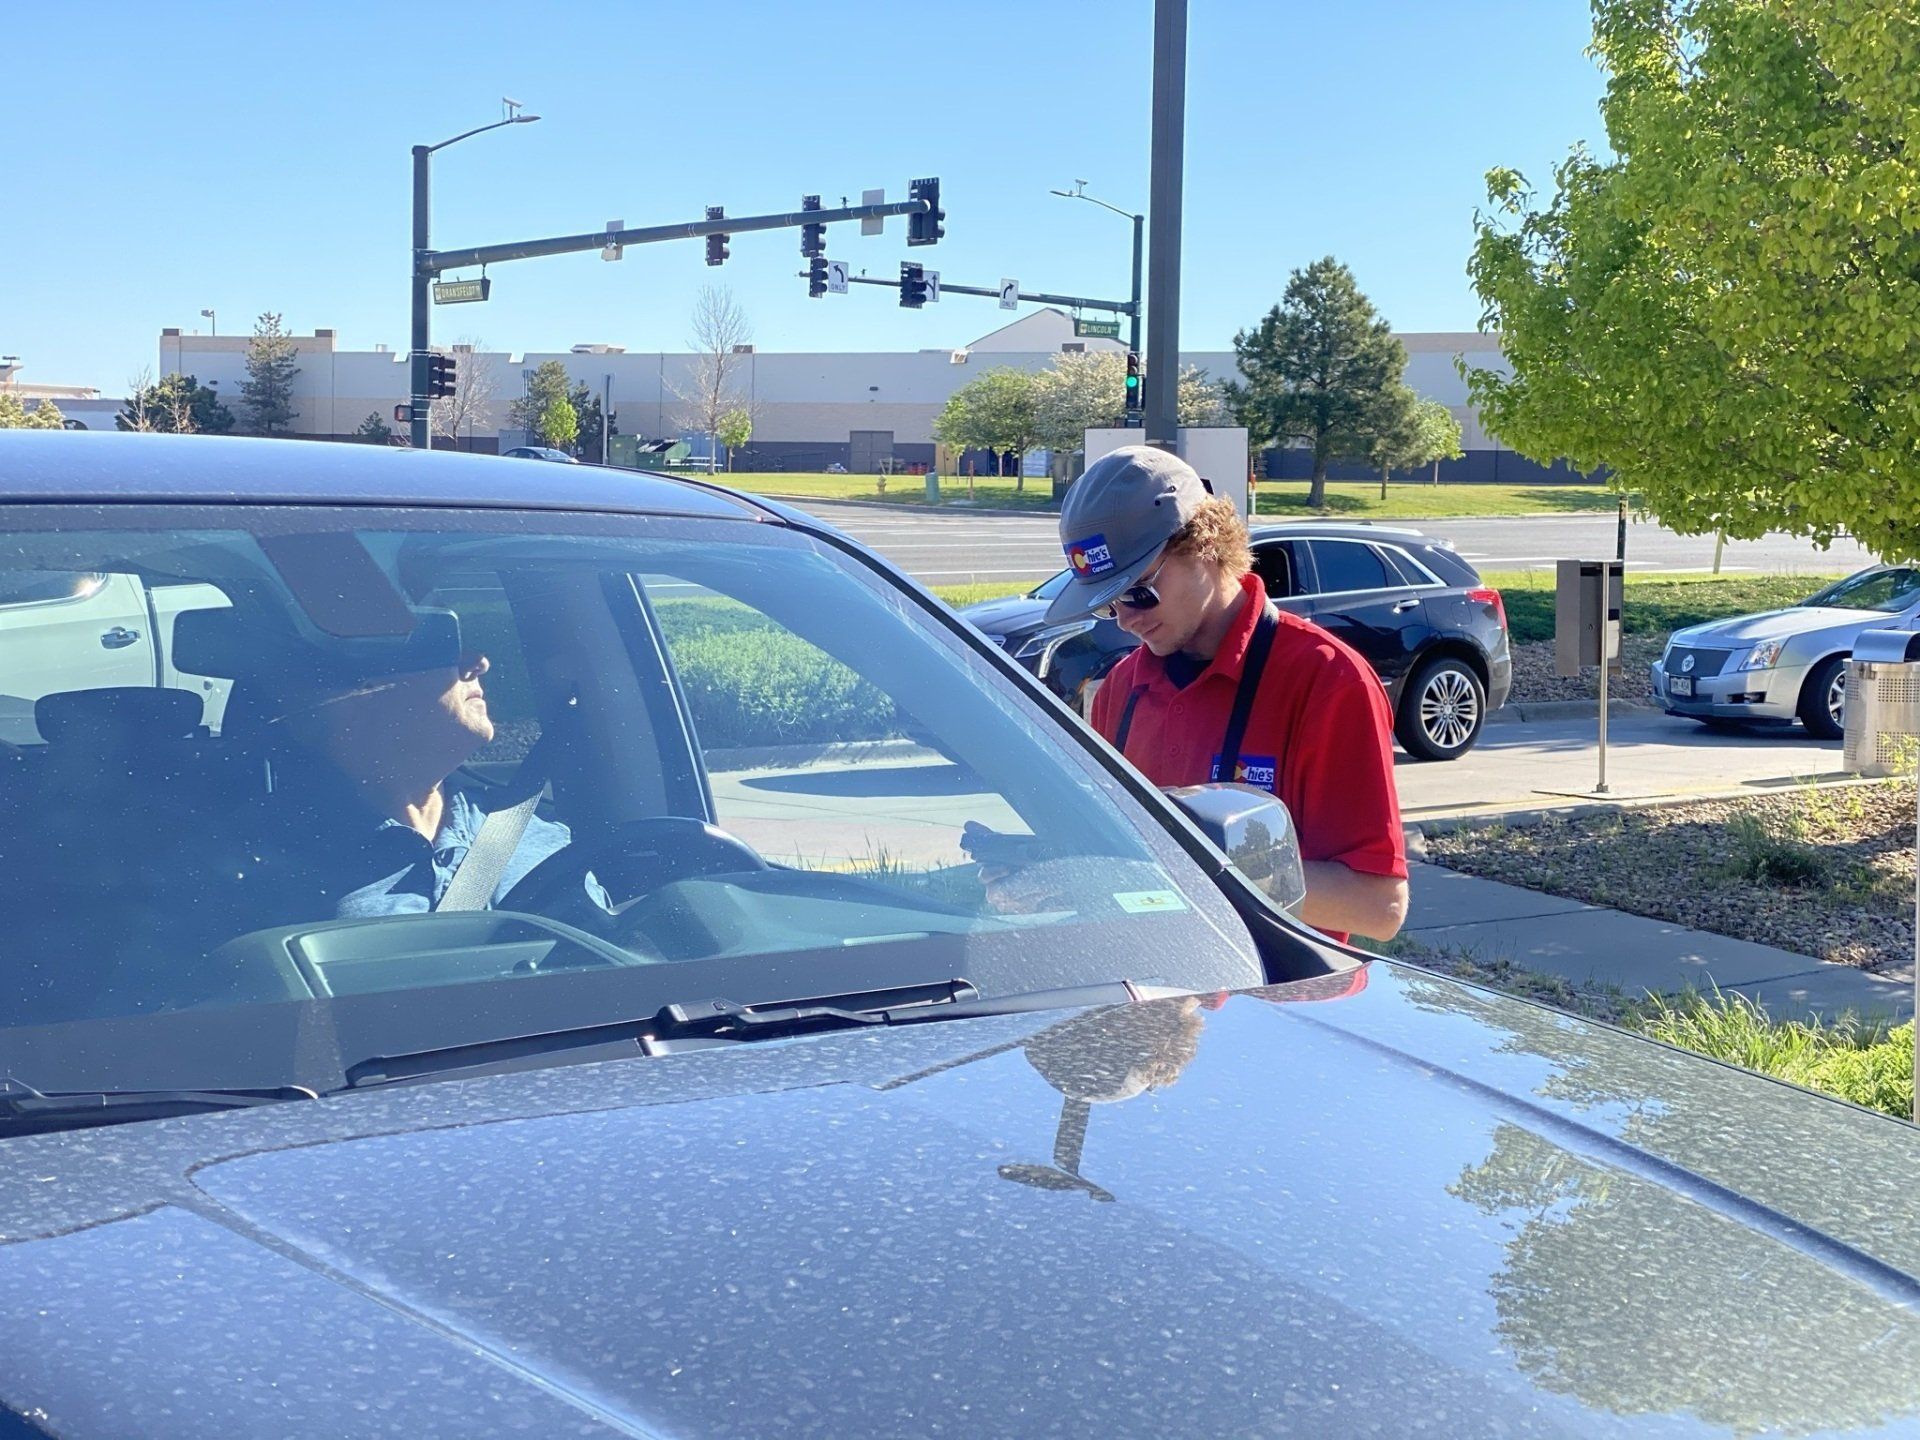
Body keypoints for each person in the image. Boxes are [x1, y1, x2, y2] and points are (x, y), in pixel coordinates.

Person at [1044, 446, 1408, 943]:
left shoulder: (1326, 681)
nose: (1126, 620)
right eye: (1107, 604)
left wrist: (1187, 864)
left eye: (1137, 591)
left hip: (1269, 1006)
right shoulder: (1123, 690)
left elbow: (1378, 906)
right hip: (1155, 996)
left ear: (1206, 542)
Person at [238, 648, 605, 922]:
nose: (478, 662)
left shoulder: (541, 839)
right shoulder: (260, 871)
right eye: (442, 644)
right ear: (355, 696)